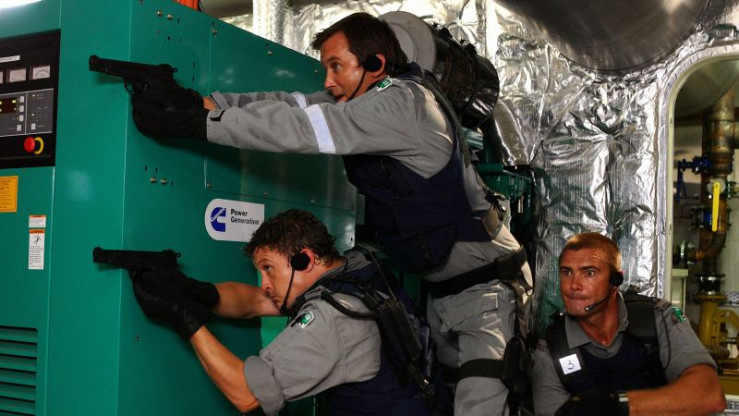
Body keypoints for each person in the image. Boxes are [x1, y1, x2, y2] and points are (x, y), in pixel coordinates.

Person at [129, 12, 533, 415]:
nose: (327, 80)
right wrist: (203, 104)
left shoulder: (403, 103)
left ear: (375, 64)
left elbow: (304, 129)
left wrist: (200, 124)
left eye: (336, 66)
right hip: (444, 293)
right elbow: (292, 106)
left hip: (487, 287)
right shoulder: (365, 98)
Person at [131, 208, 450, 415]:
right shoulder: (358, 269)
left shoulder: (332, 317)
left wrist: (184, 318)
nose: (265, 284)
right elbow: (255, 303)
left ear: (304, 259)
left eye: (268, 269)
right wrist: (192, 291)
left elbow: (247, 394)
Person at [531, 232, 726, 416]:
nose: (574, 285)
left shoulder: (657, 318)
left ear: (615, 280)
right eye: (566, 273)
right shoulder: (552, 350)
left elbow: (709, 395)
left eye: (589, 273)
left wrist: (617, 405)